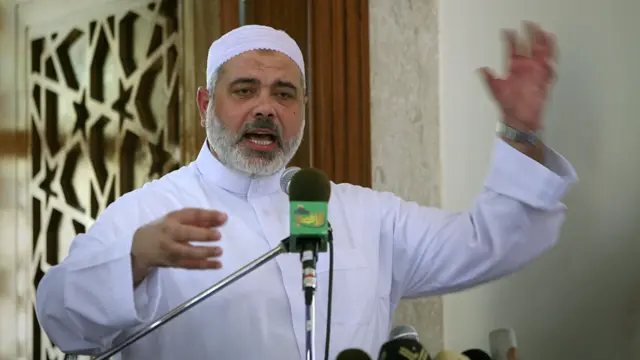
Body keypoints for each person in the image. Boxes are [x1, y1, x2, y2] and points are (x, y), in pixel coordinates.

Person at [35, 23, 577, 359]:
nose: (265, 108)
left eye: (284, 93)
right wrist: (134, 259)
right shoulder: (148, 214)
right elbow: (60, 318)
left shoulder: (361, 214)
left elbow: (488, 242)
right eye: (244, 90)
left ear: (302, 109)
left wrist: (520, 133)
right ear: (206, 105)